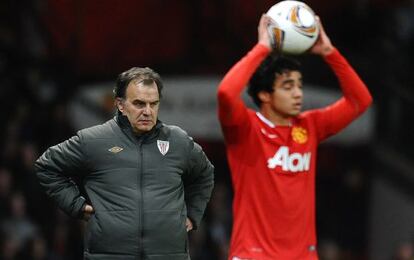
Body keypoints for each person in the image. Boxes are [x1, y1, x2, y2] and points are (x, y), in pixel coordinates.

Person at [217, 14, 372, 260]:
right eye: (288, 87)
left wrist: (329, 52)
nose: (298, 93)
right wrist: (262, 48)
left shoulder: (310, 125)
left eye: (299, 85)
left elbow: (360, 101)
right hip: (253, 255)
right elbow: (226, 93)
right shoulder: (245, 128)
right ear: (265, 95)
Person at [35, 67, 215, 260]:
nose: (147, 111)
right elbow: (47, 166)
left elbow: (205, 174)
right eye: (139, 103)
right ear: (120, 105)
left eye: (153, 104)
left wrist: (192, 215)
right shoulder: (94, 140)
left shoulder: (178, 141)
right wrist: (77, 206)